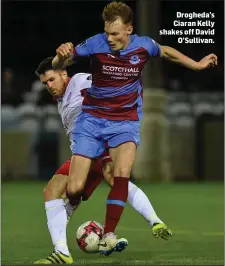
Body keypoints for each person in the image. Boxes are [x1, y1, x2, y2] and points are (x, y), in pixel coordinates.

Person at [52, 1, 218, 256]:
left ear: (129, 29)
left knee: (121, 174)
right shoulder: (95, 44)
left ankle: (108, 234)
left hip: (125, 121)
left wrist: (197, 64)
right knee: (74, 189)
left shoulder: (144, 46)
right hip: (93, 119)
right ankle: (69, 217)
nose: (110, 39)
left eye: (115, 34)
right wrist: (59, 56)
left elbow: (166, 52)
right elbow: (58, 65)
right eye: (107, 33)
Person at [34, 57, 172, 264]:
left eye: (52, 79)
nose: (49, 86)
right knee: (54, 191)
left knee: (113, 178)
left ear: (63, 73)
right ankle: (63, 250)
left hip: (100, 146)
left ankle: (153, 221)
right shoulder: (62, 102)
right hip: (82, 155)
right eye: (45, 83)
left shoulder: (80, 81)